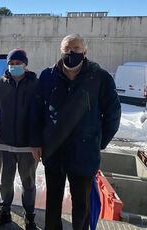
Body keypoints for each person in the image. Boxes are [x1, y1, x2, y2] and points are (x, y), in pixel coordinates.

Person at [31, 34, 121, 230]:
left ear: (85, 51)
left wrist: (98, 142)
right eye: (67, 50)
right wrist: (36, 142)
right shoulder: (48, 76)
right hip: (54, 152)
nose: (71, 53)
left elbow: (113, 115)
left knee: (82, 205)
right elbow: (36, 111)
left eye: (76, 49)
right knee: (52, 202)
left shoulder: (100, 77)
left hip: (84, 155)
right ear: (61, 51)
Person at [0, 49, 39, 229]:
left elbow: (43, 114)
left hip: (28, 146)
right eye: (11, 64)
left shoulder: (36, 84)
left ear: (25, 64)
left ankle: (29, 215)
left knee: (28, 183)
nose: (15, 66)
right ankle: (4, 212)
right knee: (5, 182)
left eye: (18, 63)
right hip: (5, 144)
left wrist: (40, 142)